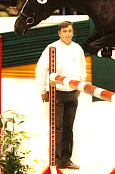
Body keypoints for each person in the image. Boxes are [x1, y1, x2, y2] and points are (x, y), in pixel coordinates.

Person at [35, 21, 86, 170]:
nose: (67, 34)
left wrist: (80, 87)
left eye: (70, 31)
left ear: (73, 32)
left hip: (72, 94)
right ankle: (55, 161)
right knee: (57, 128)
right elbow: (40, 69)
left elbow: (82, 69)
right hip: (57, 93)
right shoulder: (52, 48)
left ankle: (66, 160)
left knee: (68, 128)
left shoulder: (78, 49)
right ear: (59, 33)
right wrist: (43, 90)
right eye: (64, 31)